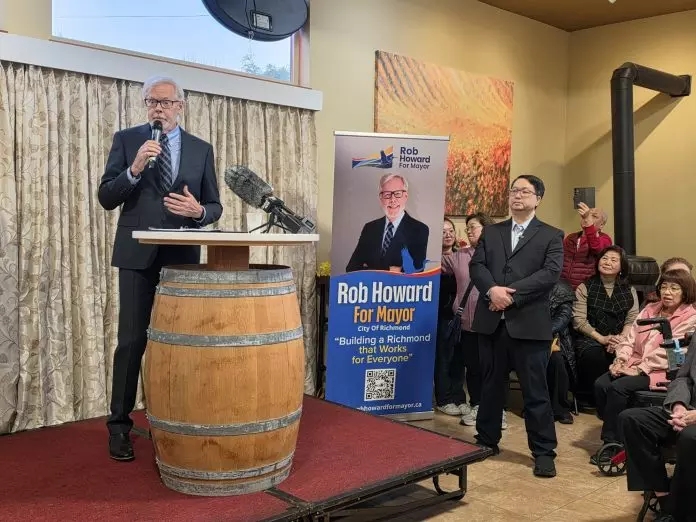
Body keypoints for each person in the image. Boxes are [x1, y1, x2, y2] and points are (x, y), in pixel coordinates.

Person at [98, 75, 223, 461]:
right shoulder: (127, 140)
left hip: (181, 258)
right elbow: (106, 197)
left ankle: (173, 420)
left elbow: (214, 206)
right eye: (152, 101)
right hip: (136, 256)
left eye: (166, 102)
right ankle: (119, 426)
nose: (158, 108)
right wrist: (134, 169)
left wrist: (198, 212)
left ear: (180, 106)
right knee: (131, 341)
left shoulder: (201, 149)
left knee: (178, 343)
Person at [469, 174, 564, 478]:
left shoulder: (551, 235)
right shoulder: (492, 232)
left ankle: (544, 452)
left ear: (538, 199)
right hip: (492, 324)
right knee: (490, 387)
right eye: (514, 190)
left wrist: (509, 295)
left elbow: (549, 274)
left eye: (525, 191)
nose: (517, 195)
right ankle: (486, 440)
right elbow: (477, 266)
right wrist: (491, 290)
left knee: (536, 393)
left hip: (530, 325)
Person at [592, 269, 696, 462]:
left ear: (685, 292)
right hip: (633, 363)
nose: (667, 292)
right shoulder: (650, 309)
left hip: (663, 371)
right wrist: (621, 359)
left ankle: (612, 443)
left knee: (618, 388)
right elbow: (630, 339)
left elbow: (675, 353)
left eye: (674, 288)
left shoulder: (690, 317)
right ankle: (618, 432)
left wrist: (639, 369)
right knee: (601, 384)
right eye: (664, 287)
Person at [619, 332, 696, 522]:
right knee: (632, 420)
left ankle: (681, 513)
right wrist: (679, 405)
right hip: (688, 409)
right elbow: (683, 378)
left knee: (689, 437)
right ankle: (665, 500)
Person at [346, 173, 429, 273]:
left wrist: (369, 268)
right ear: (381, 198)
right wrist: (390, 269)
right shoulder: (369, 228)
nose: (392, 200)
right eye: (387, 194)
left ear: (406, 196)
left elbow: (416, 272)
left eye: (398, 194)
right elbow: (351, 268)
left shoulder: (419, 230)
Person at [560, 203, 612, 290]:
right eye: (587, 215)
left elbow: (596, 248)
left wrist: (588, 221)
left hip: (585, 289)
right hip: (563, 288)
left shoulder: (605, 239)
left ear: (602, 225)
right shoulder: (571, 237)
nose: (587, 218)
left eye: (594, 216)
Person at [547, 279, 576, 424]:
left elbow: (564, 316)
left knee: (556, 360)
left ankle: (560, 408)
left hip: (554, 337)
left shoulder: (561, 287)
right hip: (525, 336)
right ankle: (534, 406)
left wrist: (544, 332)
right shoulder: (522, 284)